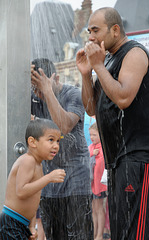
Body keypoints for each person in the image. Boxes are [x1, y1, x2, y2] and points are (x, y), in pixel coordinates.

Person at [76, 7, 149, 240]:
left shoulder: (134, 53)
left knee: (133, 234)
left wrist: (99, 66)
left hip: (138, 158)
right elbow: (92, 108)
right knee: (120, 233)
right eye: (88, 31)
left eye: (95, 30)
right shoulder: (108, 60)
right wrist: (86, 73)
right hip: (118, 162)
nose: (90, 37)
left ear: (115, 30)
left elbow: (123, 98)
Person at [31, 58, 93, 240]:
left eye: (40, 89)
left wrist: (47, 90)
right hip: (49, 186)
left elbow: (64, 126)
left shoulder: (73, 94)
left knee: (79, 236)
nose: (38, 94)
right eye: (35, 89)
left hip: (76, 183)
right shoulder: (33, 97)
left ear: (55, 79)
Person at [0, 118, 66, 240]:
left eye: (58, 141)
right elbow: (21, 191)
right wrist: (48, 178)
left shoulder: (38, 164)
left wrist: (31, 226)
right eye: (51, 140)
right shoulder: (28, 160)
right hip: (11, 222)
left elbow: (33, 199)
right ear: (32, 142)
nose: (56, 146)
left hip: (21, 223)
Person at [88, 122, 107, 240]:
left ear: (100, 135)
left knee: (100, 208)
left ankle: (100, 234)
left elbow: (101, 167)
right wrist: (91, 154)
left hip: (100, 185)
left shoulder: (103, 148)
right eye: (90, 135)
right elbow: (85, 158)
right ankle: (94, 233)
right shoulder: (91, 147)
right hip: (91, 184)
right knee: (94, 209)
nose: (91, 137)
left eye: (94, 135)